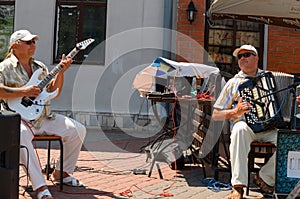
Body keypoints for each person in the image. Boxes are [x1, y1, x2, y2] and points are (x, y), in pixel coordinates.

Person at [0, 30, 86, 199]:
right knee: (21, 135)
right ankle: (39, 187)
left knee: (78, 130)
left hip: (43, 117)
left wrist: (60, 72)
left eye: (34, 42)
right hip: (18, 119)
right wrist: (24, 91)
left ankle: (62, 173)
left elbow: (53, 91)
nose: (33, 45)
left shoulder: (40, 67)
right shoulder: (4, 67)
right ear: (15, 45)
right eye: (28, 42)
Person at [212, 45, 277, 199]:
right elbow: (216, 114)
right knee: (239, 129)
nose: (242, 59)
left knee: (294, 142)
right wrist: (235, 112)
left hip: (270, 129)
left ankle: (265, 176)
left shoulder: (270, 78)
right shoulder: (234, 83)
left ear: (257, 58)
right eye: (239, 56)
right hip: (247, 128)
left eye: (246, 55)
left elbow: (282, 102)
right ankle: (238, 186)